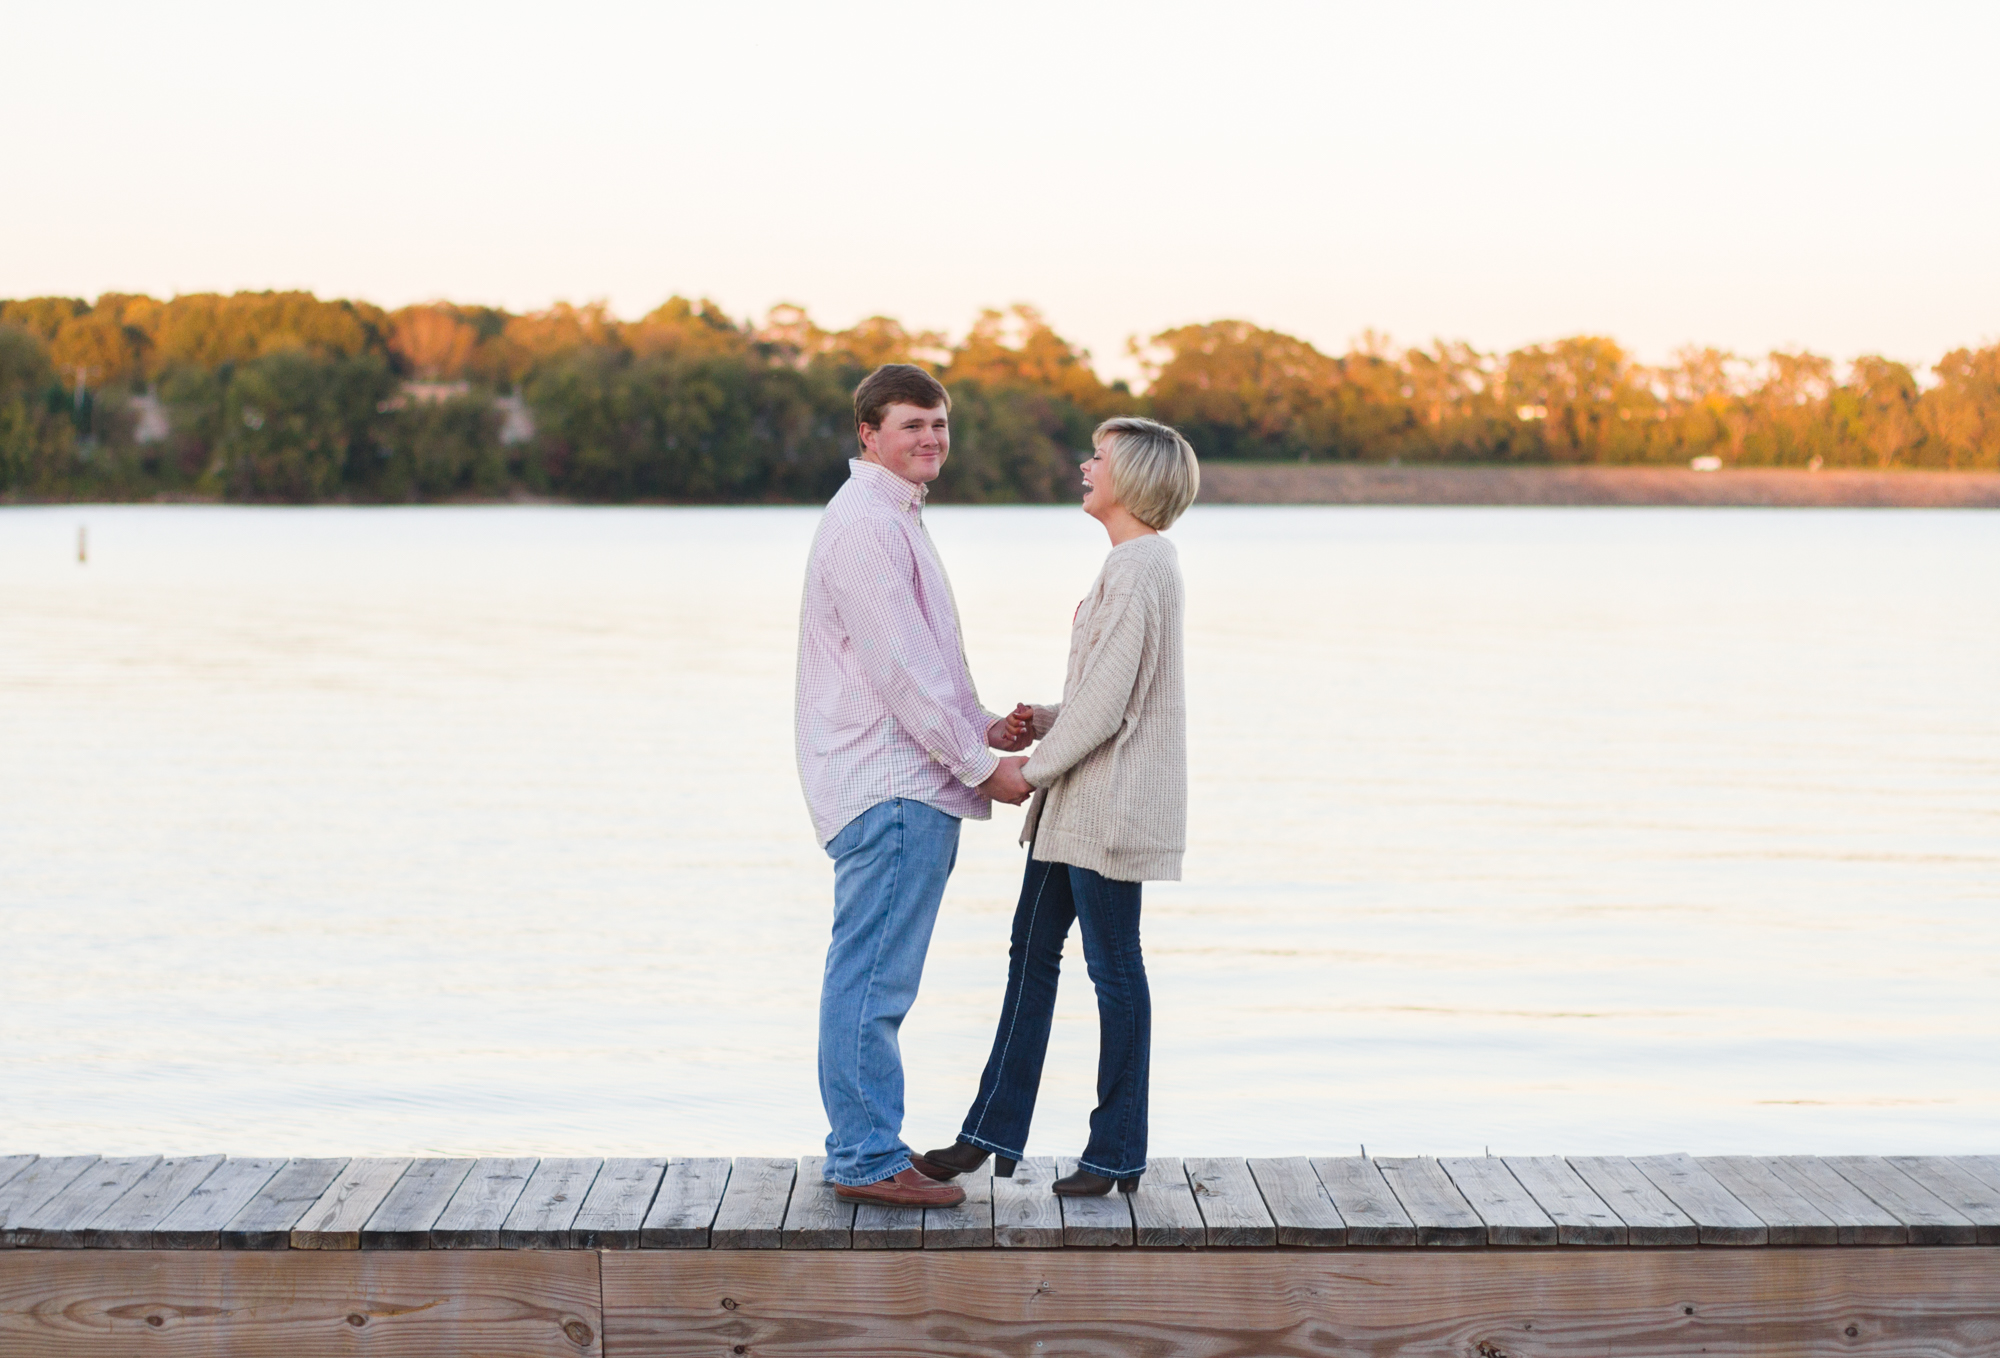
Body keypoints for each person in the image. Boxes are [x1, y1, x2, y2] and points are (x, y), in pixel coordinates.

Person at [915, 416, 1199, 1197]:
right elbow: (1103, 695)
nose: (1084, 465)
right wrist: (1043, 720)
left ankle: (1114, 1151)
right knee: (1031, 960)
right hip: (1076, 807)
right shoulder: (1130, 565)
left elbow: (1110, 706)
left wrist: (1027, 769)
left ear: (1133, 478)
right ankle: (986, 1135)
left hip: (1106, 811)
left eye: (1098, 458)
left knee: (1114, 972)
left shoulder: (1142, 567)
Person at [795, 363, 1037, 1208]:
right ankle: (864, 1158)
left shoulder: (892, 516)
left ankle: (862, 1149)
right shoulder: (866, 524)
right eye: (911, 424)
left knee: (873, 976)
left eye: (938, 424)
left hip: (901, 782)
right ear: (868, 433)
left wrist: (980, 727)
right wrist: (985, 769)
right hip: (889, 789)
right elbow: (899, 675)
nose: (930, 438)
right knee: (873, 981)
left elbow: (921, 665)